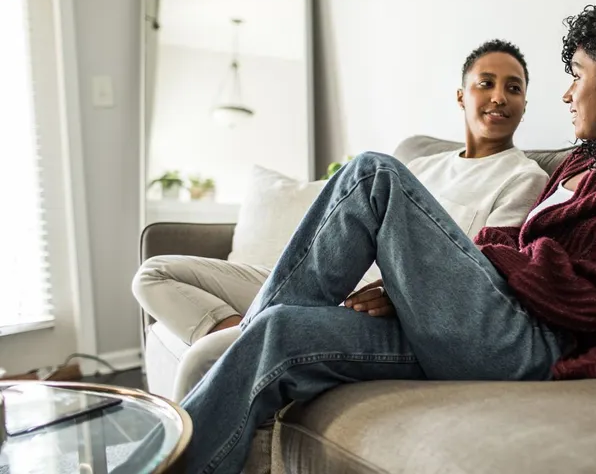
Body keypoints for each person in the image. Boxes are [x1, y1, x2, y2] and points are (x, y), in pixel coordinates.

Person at [128, 0, 596, 474]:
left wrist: (490, 259)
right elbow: (509, 250)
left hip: (531, 345)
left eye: (577, 77)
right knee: (281, 334)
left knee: (372, 173)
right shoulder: (581, 163)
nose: (567, 94)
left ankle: (241, 334)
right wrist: (434, 281)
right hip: (484, 325)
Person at [132, 39, 549, 400]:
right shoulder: (422, 166)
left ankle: (249, 339)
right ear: (461, 96)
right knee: (154, 273)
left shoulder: (524, 177)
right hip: (329, 275)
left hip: (375, 306)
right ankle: (249, 330)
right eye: (486, 83)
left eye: (514, 88)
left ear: (525, 105)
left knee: (200, 360)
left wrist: (403, 289)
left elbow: (480, 273)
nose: (499, 96)